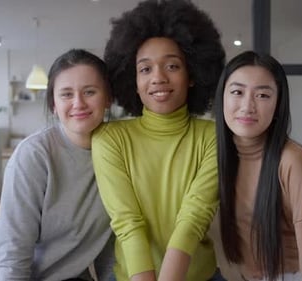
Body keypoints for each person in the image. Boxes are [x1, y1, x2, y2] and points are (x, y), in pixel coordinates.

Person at [0, 49, 114, 281]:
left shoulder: (119, 152)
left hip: (63, 273)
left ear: (108, 98)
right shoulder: (35, 153)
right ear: (53, 105)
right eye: (66, 94)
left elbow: (110, 238)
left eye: (89, 91)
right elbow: (14, 247)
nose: (78, 103)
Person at [91, 1, 226, 281]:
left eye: (172, 66)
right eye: (145, 69)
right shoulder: (109, 138)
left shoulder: (214, 136)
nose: (158, 78)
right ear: (133, 80)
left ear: (192, 75)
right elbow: (126, 221)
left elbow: (195, 216)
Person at [214, 50, 302, 281]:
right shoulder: (217, 154)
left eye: (263, 95)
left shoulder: (293, 160)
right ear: (222, 98)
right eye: (237, 92)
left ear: (278, 105)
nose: (247, 106)